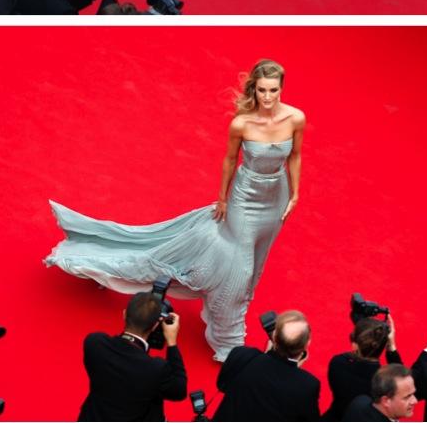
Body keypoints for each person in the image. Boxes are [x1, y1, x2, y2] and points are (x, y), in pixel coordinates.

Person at [45, 59, 305, 361]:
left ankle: (229, 317)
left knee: (254, 265)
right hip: (243, 199)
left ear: (282, 88)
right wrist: (222, 198)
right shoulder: (242, 123)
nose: (268, 97)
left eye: (273, 90)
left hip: (276, 198)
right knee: (239, 268)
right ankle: (228, 340)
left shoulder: (295, 118)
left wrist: (296, 193)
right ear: (254, 89)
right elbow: (230, 161)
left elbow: (295, 155)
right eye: (262, 90)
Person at [77, 293, 187, 422]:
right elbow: (179, 391)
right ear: (155, 326)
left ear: (124, 315)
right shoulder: (156, 369)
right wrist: (172, 343)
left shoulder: (94, 343)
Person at [213, 309, 321, 421]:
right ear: (306, 345)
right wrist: (294, 370)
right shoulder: (308, 385)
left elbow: (222, 385)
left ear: (274, 336)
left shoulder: (241, 354)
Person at [322, 316, 404, 420]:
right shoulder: (385, 382)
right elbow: (402, 379)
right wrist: (392, 347)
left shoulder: (337, 363)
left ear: (355, 345)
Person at [342, 365, 417, 420]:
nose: (415, 401)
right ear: (386, 401)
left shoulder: (359, 401)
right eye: (407, 397)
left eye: (413, 394)